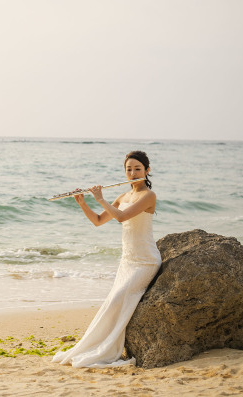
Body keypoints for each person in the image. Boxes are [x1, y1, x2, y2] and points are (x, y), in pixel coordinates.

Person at [52, 150, 161, 367]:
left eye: (137, 169)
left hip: (146, 260)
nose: (132, 173)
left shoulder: (148, 196)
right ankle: (95, 345)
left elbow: (121, 217)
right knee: (112, 302)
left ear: (147, 171)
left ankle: (108, 349)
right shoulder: (123, 197)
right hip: (127, 261)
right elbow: (99, 220)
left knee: (118, 298)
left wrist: (100, 198)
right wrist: (83, 203)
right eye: (128, 169)